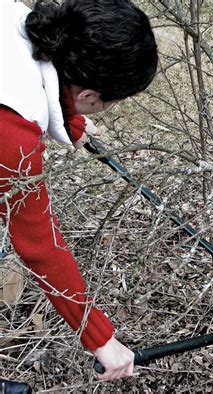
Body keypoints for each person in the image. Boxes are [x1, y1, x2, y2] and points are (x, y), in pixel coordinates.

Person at [0, 0, 158, 382]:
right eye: (111, 102)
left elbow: (44, 78)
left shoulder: (17, 19)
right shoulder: (10, 135)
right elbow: (39, 243)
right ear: (88, 94)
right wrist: (101, 339)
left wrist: (68, 119)